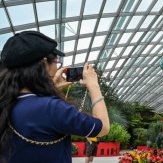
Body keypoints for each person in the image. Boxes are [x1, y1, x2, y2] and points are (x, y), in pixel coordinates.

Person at [0, 31, 110, 163]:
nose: (58, 62)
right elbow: (103, 128)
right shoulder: (52, 108)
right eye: (55, 58)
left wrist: (52, 88)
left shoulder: (6, 102)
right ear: (44, 63)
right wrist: (94, 86)